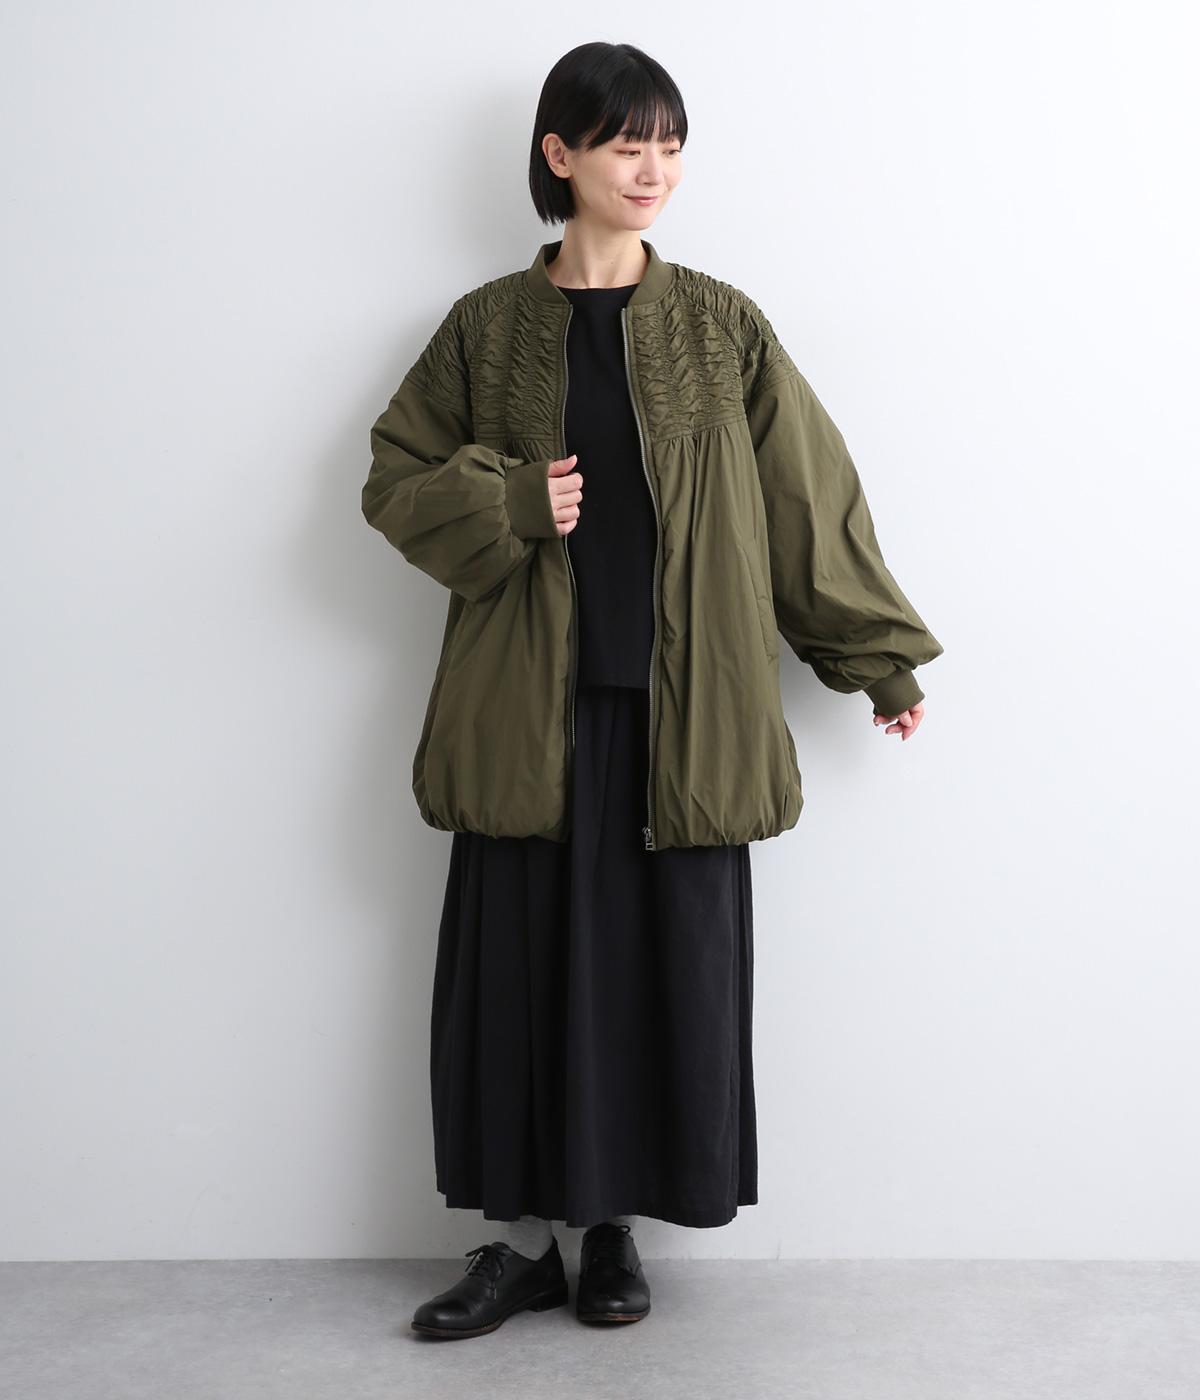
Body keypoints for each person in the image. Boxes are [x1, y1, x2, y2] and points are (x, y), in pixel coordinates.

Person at [362, 42, 944, 1341]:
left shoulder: (722, 327)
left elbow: (805, 502)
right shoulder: (484, 328)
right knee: (516, 984)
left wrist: (874, 659)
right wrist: (511, 501)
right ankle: (520, 1249)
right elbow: (394, 482)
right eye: (628, 143)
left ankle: (612, 1233)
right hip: (525, 713)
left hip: (686, 716)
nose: (654, 170)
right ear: (559, 154)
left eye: (671, 145)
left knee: (654, 981)